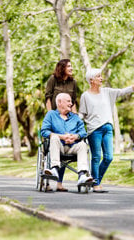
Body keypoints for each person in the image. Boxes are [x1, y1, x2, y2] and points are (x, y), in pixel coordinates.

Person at [79, 68, 134, 193]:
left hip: (108, 128)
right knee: (96, 157)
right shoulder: (85, 96)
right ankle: (96, 184)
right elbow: (82, 114)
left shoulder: (107, 92)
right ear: (91, 80)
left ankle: (95, 180)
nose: (101, 78)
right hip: (94, 130)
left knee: (109, 157)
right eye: (98, 76)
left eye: (101, 76)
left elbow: (123, 91)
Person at [41, 93, 93, 189]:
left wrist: (75, 137)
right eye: (68, 101)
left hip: (73, 147)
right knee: (54, 137)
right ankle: (54, 169)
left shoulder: (75, 117)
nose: (71, 103)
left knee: (82, 145)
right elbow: (44, 131)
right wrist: (62, 137)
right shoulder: (51, 115)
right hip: (58, 147)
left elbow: (83, 133)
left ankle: (82, 175)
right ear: (60, 102)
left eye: (71, 101)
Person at [45, 59, 77, 191]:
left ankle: (59, 183)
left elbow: (73, 102)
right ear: (62, 67)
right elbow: (47, 98)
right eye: (69, 66)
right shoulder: (53, 79)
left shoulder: (73, 82)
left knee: (66, 144)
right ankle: (47, 182)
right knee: (54, 145)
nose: (71, 68)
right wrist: (50, 116)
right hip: (54, 117)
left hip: (67, 118)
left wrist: (75, 119)